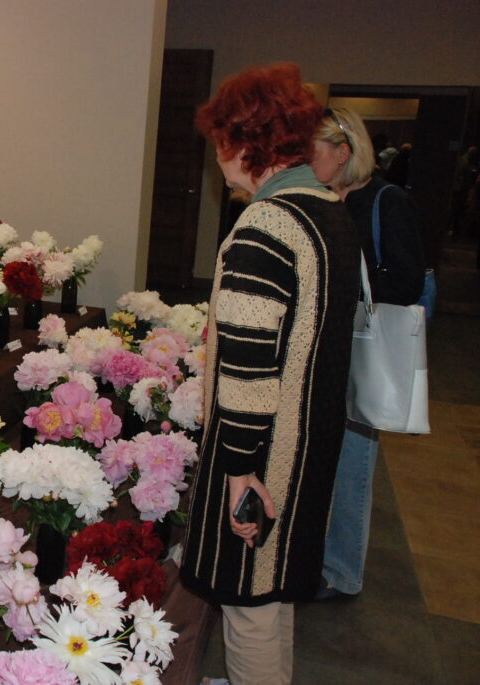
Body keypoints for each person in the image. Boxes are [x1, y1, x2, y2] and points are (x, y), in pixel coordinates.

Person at [180, 63, 358, 685]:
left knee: (248, 601)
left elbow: (249, 369)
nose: (217, 159)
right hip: (310, 441)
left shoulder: (266, 226)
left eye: (220, 142)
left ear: (245, 142)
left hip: (267, 452)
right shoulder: (328, 211)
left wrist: (238, 472)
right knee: (274, 593)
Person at [311, 107, 427, 600]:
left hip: (364, 351)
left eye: (313, 152)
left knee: (353, 464)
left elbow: (406, 282)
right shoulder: (323, 199)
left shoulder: (385, 201)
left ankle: (342, 573)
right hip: (329, 350)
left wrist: (343, 291)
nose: (306, 161)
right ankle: (318, 558)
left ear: (343, 153)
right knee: (326, 461)